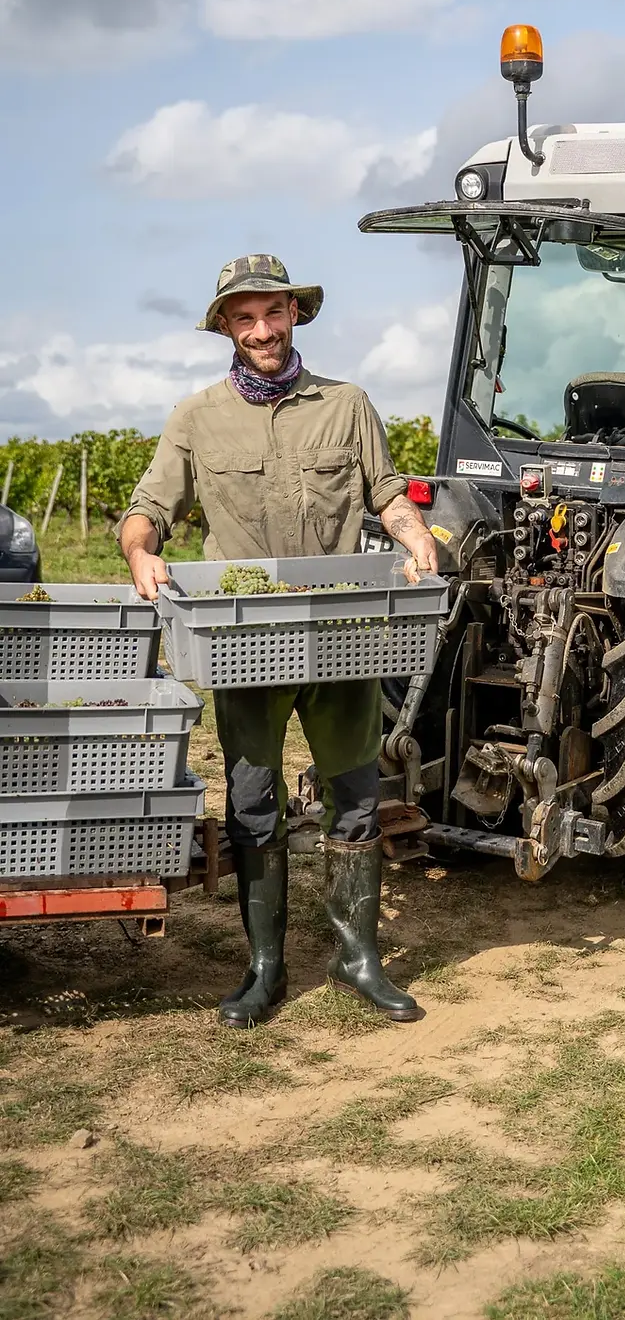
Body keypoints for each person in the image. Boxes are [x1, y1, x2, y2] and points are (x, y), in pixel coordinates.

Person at [119, 254, 439, 1028]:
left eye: (274, 312)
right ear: (227, 327)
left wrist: (414, 531)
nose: (261, 329)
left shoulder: (346, 404)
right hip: (245, 639)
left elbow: (387, 494)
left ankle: (359, 959)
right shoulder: (197, 417)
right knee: (255, 803)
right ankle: (264, 968)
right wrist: (140, 550)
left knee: (356, 800)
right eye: (244, 317)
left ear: (296, 314)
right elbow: (149, 507)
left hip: (339, 633)